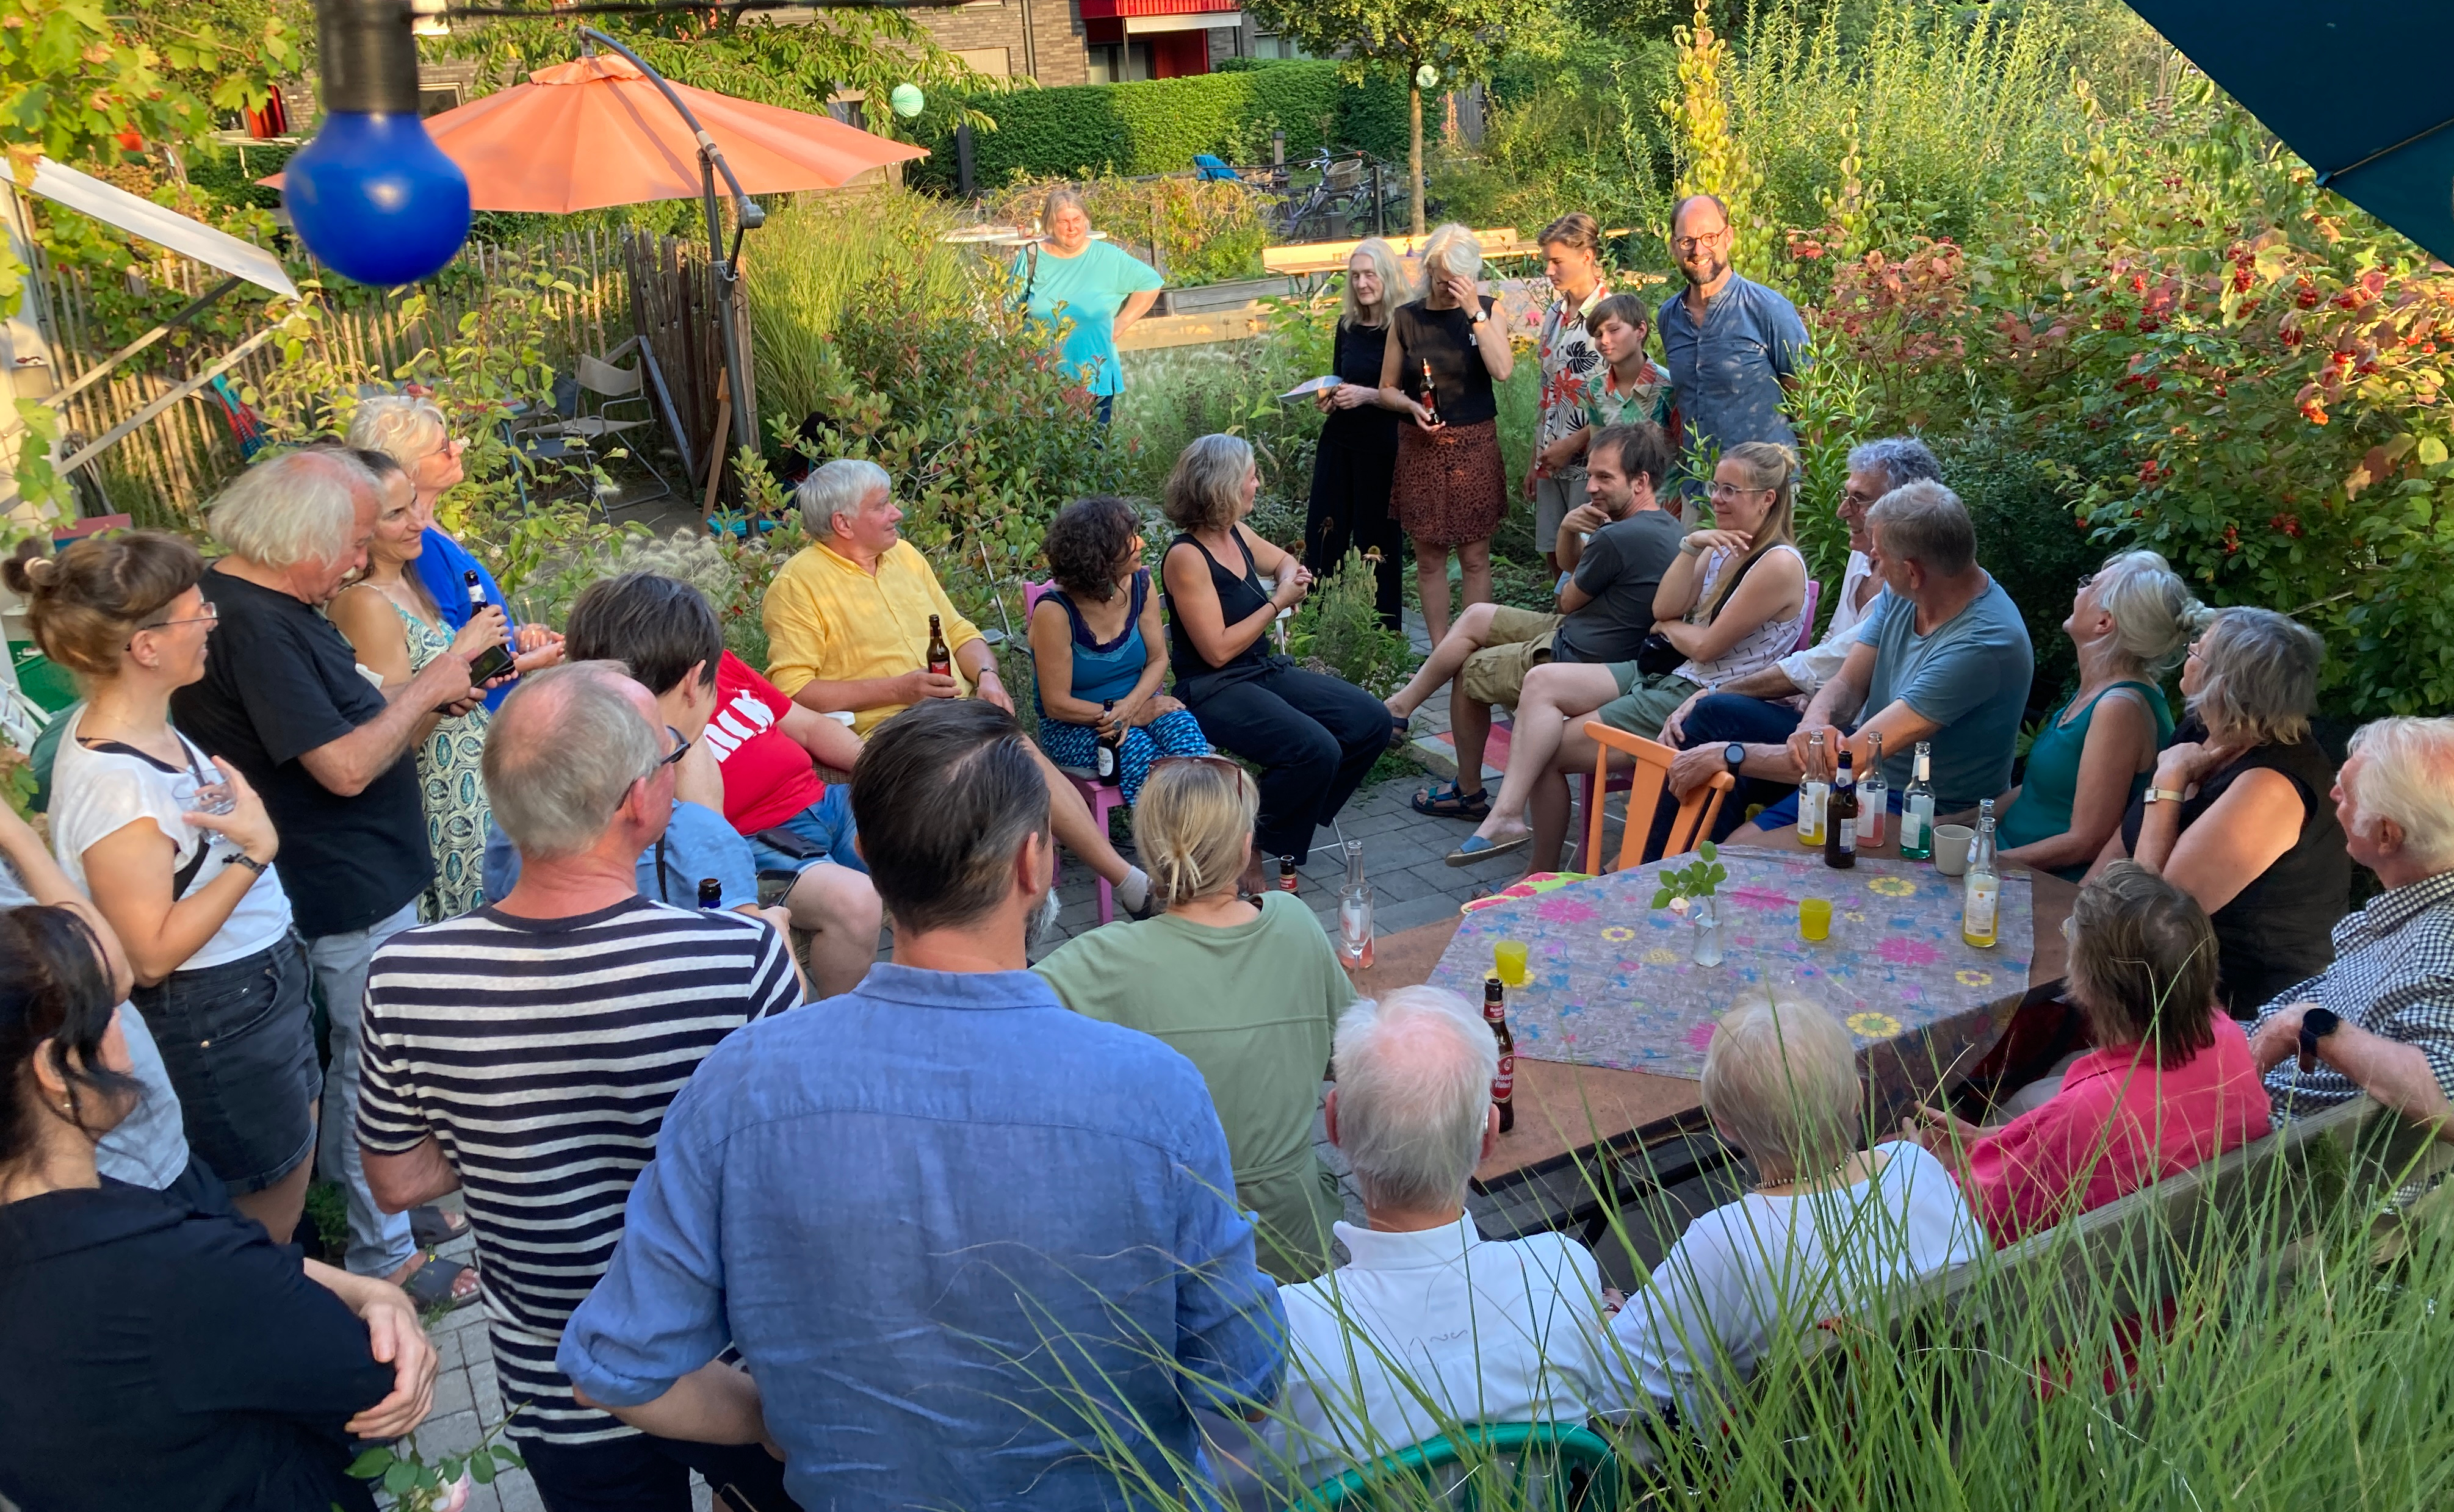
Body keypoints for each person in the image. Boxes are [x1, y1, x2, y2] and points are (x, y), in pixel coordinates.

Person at [557, 700, 1287, 1508]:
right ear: (1035, 865)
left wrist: (772, 1417)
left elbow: (613, 1368)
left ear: (865, 854)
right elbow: (1244, 1381)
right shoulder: (1155, 1092)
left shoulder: (741, 1084)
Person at [358, 663, 801, 1510]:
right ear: (639, 800)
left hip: (553, 1376)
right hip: (734, 1369)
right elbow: (791, 1182)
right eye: (671, 754)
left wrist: (515, 1132)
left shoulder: (408, 972)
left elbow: (397, 1180)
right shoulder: (739, 960)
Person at [169, 448, 491, 1303]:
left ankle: (394, 1208)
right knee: (365, 1071)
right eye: (351, 541)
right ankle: (384, 1258)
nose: (360, 561)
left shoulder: (276, 603)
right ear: (298, 539)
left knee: (377, 1060)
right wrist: (428, 689)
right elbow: (344, 768)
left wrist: (425, 693)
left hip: (366, 874)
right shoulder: (256, 625)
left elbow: (355, 714)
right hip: (340, 887)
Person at [0, 904, 439, 1512]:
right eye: (108, 1014)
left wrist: (371, 1291)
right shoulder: (164, 1269)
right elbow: (369, 1383)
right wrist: (381, 1306)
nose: (127, 1030)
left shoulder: (72, 1227)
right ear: (58, 1069)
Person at [13, 531, 328, 1248]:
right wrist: (256, 853)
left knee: (291, 1169)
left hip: (254, 989)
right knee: (265, 1220)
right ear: (146, 648)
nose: (212, 621)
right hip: (217, 1009)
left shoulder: (150, 731)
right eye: (196, 613)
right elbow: (148, 955)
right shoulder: (117, 789)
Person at [1202, 985, 1619, 1500]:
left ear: (1332, 1123)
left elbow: (1217, 1486)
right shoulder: (1563, 1272)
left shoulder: (1282, 1336)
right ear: (1489, 1135)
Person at [763, 457, 1163, 915]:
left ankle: (1122, 884)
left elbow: (959, 631)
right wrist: (898, 690)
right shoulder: (799, 585)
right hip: (889, 733)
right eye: (883, 505)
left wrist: (988, 676)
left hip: (956, 715)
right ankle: (1012, 918)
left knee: (1028, 766)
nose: (898, 513)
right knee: (992, 779)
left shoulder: (904, 558)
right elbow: (792, 692)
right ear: (843, 523)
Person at [1033, 755, 1348, 1283]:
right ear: (1246, 845)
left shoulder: (1101, 958)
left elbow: (987, 1026)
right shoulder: (1294, 922)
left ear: (1145, 853)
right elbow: (1347, 1056)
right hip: (1295, 1234)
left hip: (1170, 1244)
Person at [1609, 995, 1985, 1422]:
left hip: (1782, 1475)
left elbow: (1618, 1392)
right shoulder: (1918, 1165)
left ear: (1723, 1125)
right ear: (1857, 1096)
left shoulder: (1723, 1243)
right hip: (1933, 1433)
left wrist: (1609, 1315)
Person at [1449, 441, 1808, 869]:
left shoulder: (1778, 564)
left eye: (1731, 491)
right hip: (1671, 674)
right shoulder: (1721, 546)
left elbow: (1705, 645)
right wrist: (1692, 547)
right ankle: (1506, 818)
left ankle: (1540, 870)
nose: (1716, 498)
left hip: (1703, 695)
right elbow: (1662, 610)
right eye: (1716, 486)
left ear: (1767, 499)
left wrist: (1674, 629)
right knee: (1542, 683)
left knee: (1540, 751)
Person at [1905, 863, 2272, 1248]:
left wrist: (1919, 1169)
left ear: (2089, 983)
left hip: (2101, 1302)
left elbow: (1964, 1222)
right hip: (2186, 1275)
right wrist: (1988, 1140)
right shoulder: (2225, 1037)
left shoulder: (2096, 1110)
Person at [559, 571, 878, 998]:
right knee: (857, 899)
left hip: (824, 801)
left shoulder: (718, 667)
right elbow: (706, 856)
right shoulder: (644, 759)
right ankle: (843, 1035)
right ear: (693, 680)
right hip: (761, 839)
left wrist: (883, 772)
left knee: (939, 837)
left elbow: (806, 726)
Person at [1390, 422, 1685, 823]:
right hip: (1589, 633)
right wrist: (1567, 528)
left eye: (1604, 477)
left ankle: (1468, 792)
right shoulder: (1665, 525)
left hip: (1581, 654)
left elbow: (1565, 598)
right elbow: (1571, 568)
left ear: (1640, 482)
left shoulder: (1618, 537)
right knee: (1476, 616)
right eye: (1589, 475)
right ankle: (1400, 707)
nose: (1591, 487)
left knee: (1469, 668)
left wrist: (1578, 542)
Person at [1712, 480, 2032, 841]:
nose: (1870, 561)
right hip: (1866, 777)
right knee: (1715, 716)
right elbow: (1847, 685)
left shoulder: (1983, 645)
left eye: (1878, 555)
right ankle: (1661, 869)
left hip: (1926, 807)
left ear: (1913, 571)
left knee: (1742, 848)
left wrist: (1729, 756)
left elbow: (1855, 757)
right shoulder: (1910, 593)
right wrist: (1813, 723)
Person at [1656, 438, 1943, 837]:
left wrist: (1711, 691)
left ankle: (1657, 863)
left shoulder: (1911, 585)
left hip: (1858, 747)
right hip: (1821, 725)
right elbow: (1831, 647)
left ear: (1900, 508)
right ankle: (1678, 864)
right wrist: (1806, 704)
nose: (1843, 510)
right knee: (1722, 748)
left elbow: (1827, 664)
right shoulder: (1862, 558)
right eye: (1846, 496)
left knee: (1713, 714)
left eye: (1858, 501)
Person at [2092, 607, 2349, 1015]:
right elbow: (2129, 839)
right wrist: (2077, 912)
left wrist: (2170, 779)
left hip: (2240, 1005)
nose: (2188, 650)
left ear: (2222, 683)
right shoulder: (2202, 728)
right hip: (2157, 974)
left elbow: (2157, 910)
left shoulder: (2272, 786)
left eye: (2198, 650)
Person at [1160, 434, 1393, 876]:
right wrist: (1277, 604)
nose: (1258, 484)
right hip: (1213, 687)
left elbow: (1283, 561)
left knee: (1371, 721)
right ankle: (1258, 846)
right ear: (1226, 486)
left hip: (1260, 670)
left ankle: (1269, 826)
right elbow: (1216, 650)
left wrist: (1293, 574)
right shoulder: (1186, 557)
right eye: (1252, 476)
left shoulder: (1237, 533)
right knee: (1315, 749)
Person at [2247, 716, 2454, 1132]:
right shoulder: (2415, 916)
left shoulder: (2439, 937)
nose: (2333, 793)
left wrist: (2309, 1024)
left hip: (2279, 1167)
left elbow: (2445, 1098)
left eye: (2347, 791)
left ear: (2385, 835)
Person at [328, 448, 502, 918]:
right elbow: (395, 737)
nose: (417, 522)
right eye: (396, 514)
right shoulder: (365, 604)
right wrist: (462, 652)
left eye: (414, 506)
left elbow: (449, 688)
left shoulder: (408, 582)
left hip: (479, 793)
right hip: (445, 804)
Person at [346, 393, 565, 711]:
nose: (457, 449)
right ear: (409, 470)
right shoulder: (419, 549)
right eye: (443, 448)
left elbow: (460, 632)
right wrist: (531, 662)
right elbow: (446, 661)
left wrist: (518, 636)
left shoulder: (428, 533)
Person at [1991, 552, 2194, 882]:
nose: (2080, 589)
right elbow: (2040, 792)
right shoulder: (2099, 689)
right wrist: (1955, 823)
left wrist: (1984, 860)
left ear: (2105, 622)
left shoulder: (2119, 707)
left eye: (2091, 585)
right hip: (2007, 863)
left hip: (2044, 884)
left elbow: (2086, 841)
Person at [1379, 221, 1516, 649]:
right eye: (1438, 274)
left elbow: (1503, 370)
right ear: (1427, 268)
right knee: (1428, 558)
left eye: (1454, 277)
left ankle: (1473, 647)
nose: (1445, 285)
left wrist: (1473, 310)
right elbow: (1385, 389)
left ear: (1470, 273)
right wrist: (1409, 406)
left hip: (1474, 444)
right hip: (1420, 446)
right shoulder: (1405, 319)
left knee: (1475, 558)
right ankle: (1441, 650)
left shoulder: (1488, 310)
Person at [1030, 494, 1211, 807]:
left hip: (1136, 703)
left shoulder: (1141, 584)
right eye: (1128, 539)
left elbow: (1157, 659)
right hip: (1075, 725)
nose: (1140, 543)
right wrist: (1127, 716)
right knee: (1147, 763)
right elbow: (1056, 704)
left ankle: (1199, 838)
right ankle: (1174, 847)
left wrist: (1131, 709)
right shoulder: (1055, 613)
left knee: (1190, 745)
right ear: (1097, 556)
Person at [1655, 193, 1810, 472]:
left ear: (1728, 237)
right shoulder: (1670, 317)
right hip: (1698, 486)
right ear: (1674, 247)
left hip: (1763, 489)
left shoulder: (1768, 310)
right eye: (1687, 240)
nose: (1698, 250)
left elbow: (1806, 402)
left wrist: (1810, 482)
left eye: (1710, 237)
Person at [1302, 236, 1410, 630]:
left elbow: (1416, 396)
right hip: (1339, 442)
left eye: (1370, 274)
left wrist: (1368, 395)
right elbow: (1339, 376)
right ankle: (1313, 624)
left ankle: (1385, 632)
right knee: (1324, 534)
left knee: (1377, 542)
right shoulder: (1347, 326)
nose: (1362, 283)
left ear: (1387, 276)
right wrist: (1329, 397)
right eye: (1355, 276)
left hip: (1382, 448)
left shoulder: (1405, 325)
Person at [1011, 185, 1164, 425]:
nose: (1072, 228)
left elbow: (1151, 283)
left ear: (1086, 220)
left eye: (1077, 219)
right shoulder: (1032, 256)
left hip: (1094, 377)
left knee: (1090, 452)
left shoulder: (1108, 257)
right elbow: (1012, 309)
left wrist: (1121, 324)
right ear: (1050, 224)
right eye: (1063, 221)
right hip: (1040, 380)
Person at [1523, 213, 1615, 574]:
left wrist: (1570, 446)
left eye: (1557, 261)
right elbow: (1546, 393)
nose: (1549, 270)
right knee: (1554, 556)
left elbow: (1623, 399)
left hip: (1593, 463)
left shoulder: (1613, 315)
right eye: (1547, 260)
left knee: (1588, 560)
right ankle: (1560, 629)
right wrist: (1536, 457)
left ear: (1587, 257)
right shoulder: (1553, 315)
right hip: (1552, 462)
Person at [1546, 293, 1678, 486]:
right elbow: (1599, 446)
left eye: (1614, 330)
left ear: (1640, 330)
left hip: (1664, 499)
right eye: (1598, 335)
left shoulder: (1668, 387)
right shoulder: (1597, 389)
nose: (1605, 340)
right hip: (1618, 502)